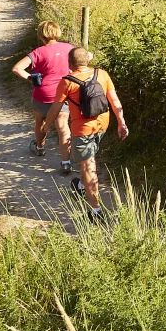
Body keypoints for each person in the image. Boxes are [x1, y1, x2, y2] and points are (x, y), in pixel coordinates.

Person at [42, 46, 129, 219]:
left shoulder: (67, 81)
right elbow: (115, 101)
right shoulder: (102, 74)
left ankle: (96, 211)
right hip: (102, 124)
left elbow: (55, 109)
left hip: (82, 130)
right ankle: (81, 186)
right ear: (87, 60)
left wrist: (46, 125)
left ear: (70, 63)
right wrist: (122, 123)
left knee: (88, 167)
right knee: (88, 158)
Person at [12, 21, 73, 174]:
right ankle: (66, 163)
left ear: (41, 34)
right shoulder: (70, 48)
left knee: (40, 121)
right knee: (63, 127)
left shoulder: (37, 52)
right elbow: (84, 59)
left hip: (42, 94)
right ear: (57, 31)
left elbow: (17, 68)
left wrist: (30, 78)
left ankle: (40, 148)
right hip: (63, 94)